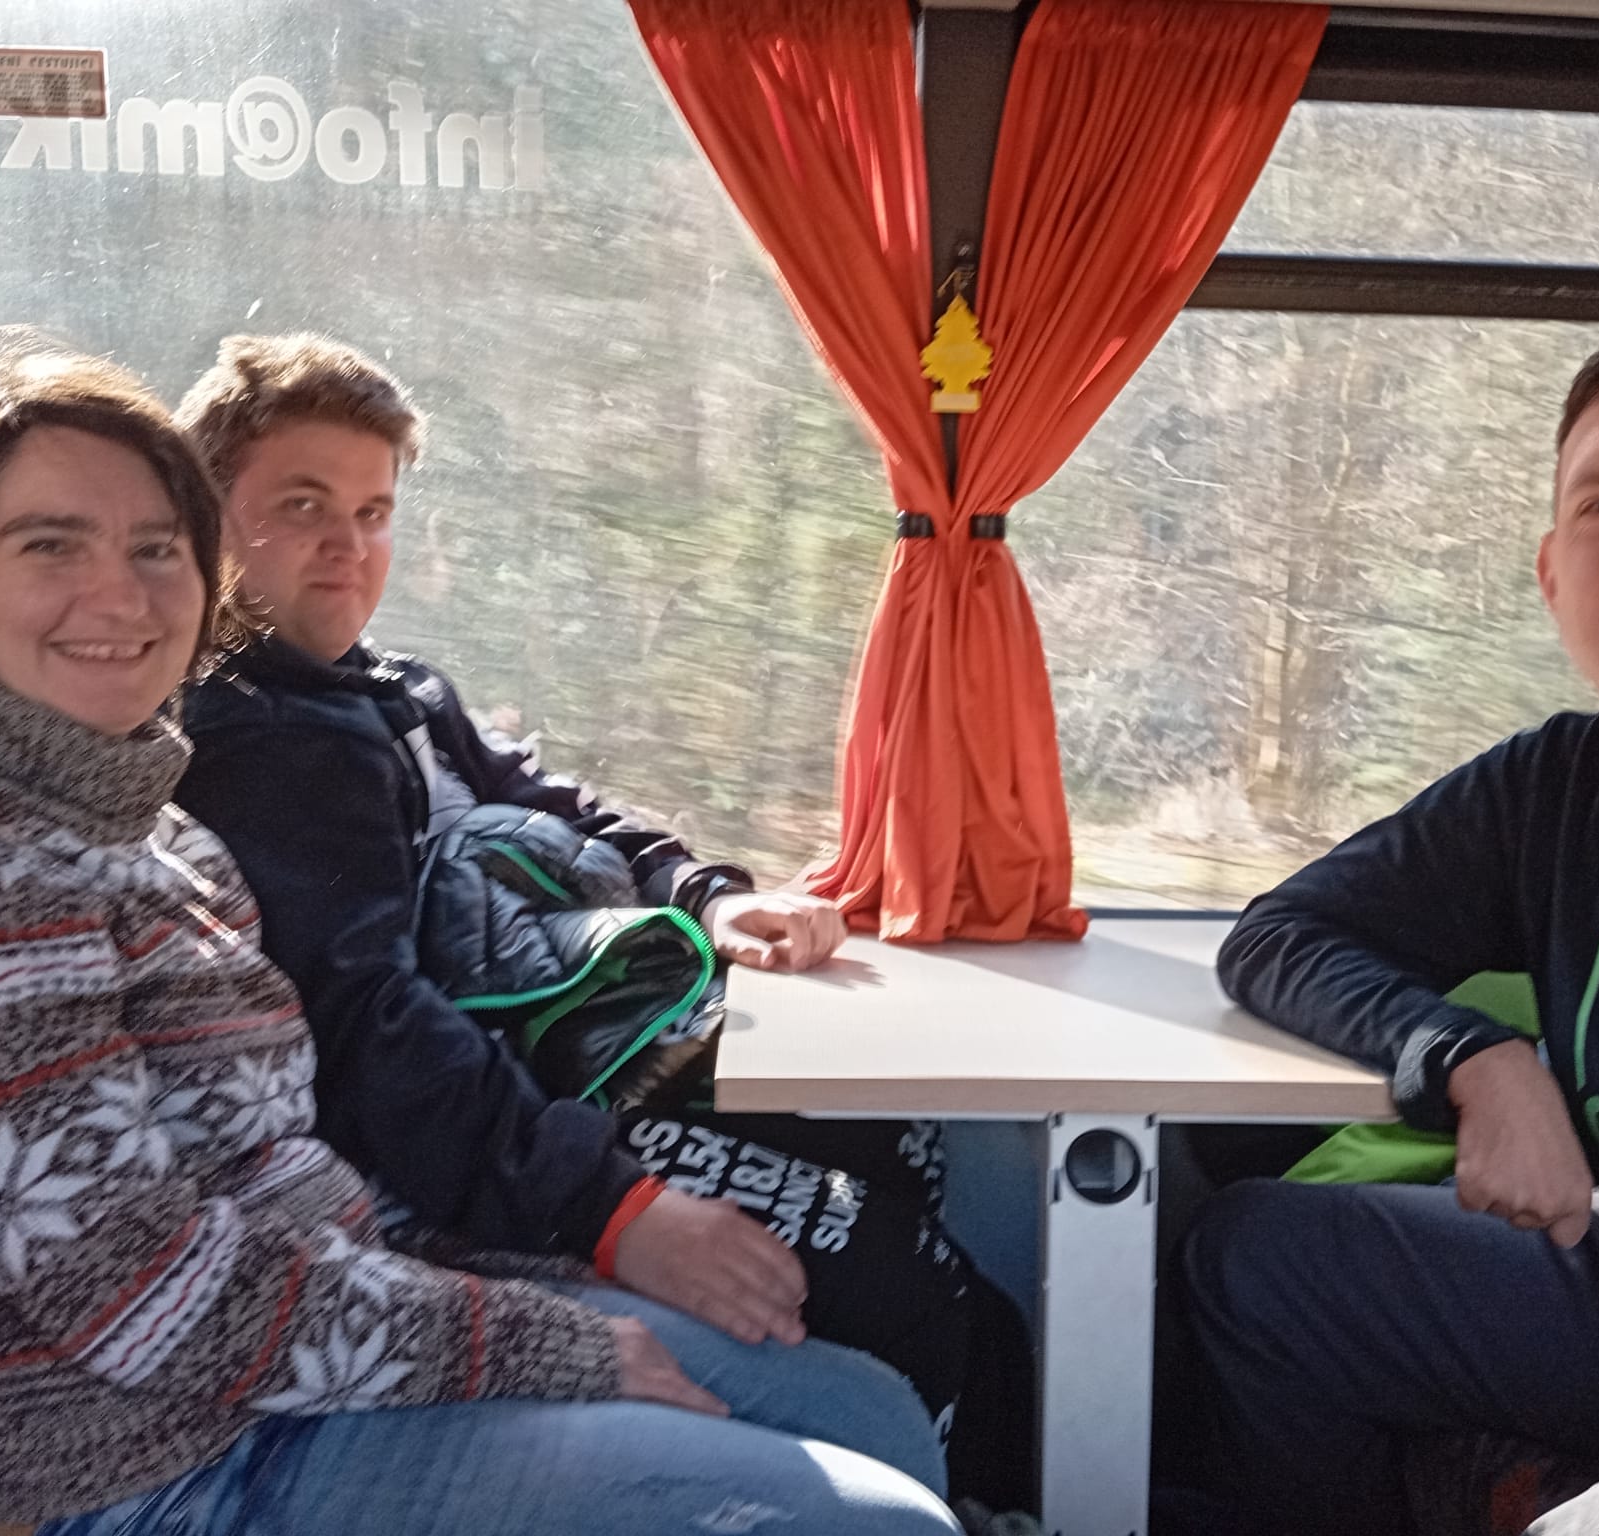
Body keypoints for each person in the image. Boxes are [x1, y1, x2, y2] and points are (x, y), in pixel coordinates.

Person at [0, 335, 961, 1535]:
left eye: (155, 547)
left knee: (869, 1415)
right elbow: (140, 1293)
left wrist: (479, 1291)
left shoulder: (142, 815)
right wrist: (535, 1332)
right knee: (880, 1521)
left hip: (314, 1334)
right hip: (144, 1457)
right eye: (51, 544)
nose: (121, 595)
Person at [167, 336, 1003, 1471]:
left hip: (551, 1066)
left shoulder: (388, 689)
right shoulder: (256, 743)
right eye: (302, 507)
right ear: (206, 519)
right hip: (455, 1146)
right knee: (907, 1285)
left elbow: (549, 799)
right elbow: (366, 1033)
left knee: (896, 1140)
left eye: (373, 513)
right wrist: (613, 1212)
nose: (349, 547)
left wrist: (704, 898)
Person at [1183, 303, 1599, 1535]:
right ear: (1553, 575)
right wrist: (1477, 1062)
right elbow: (1281, 937)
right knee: (1262, 1263)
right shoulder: (1559, 791)